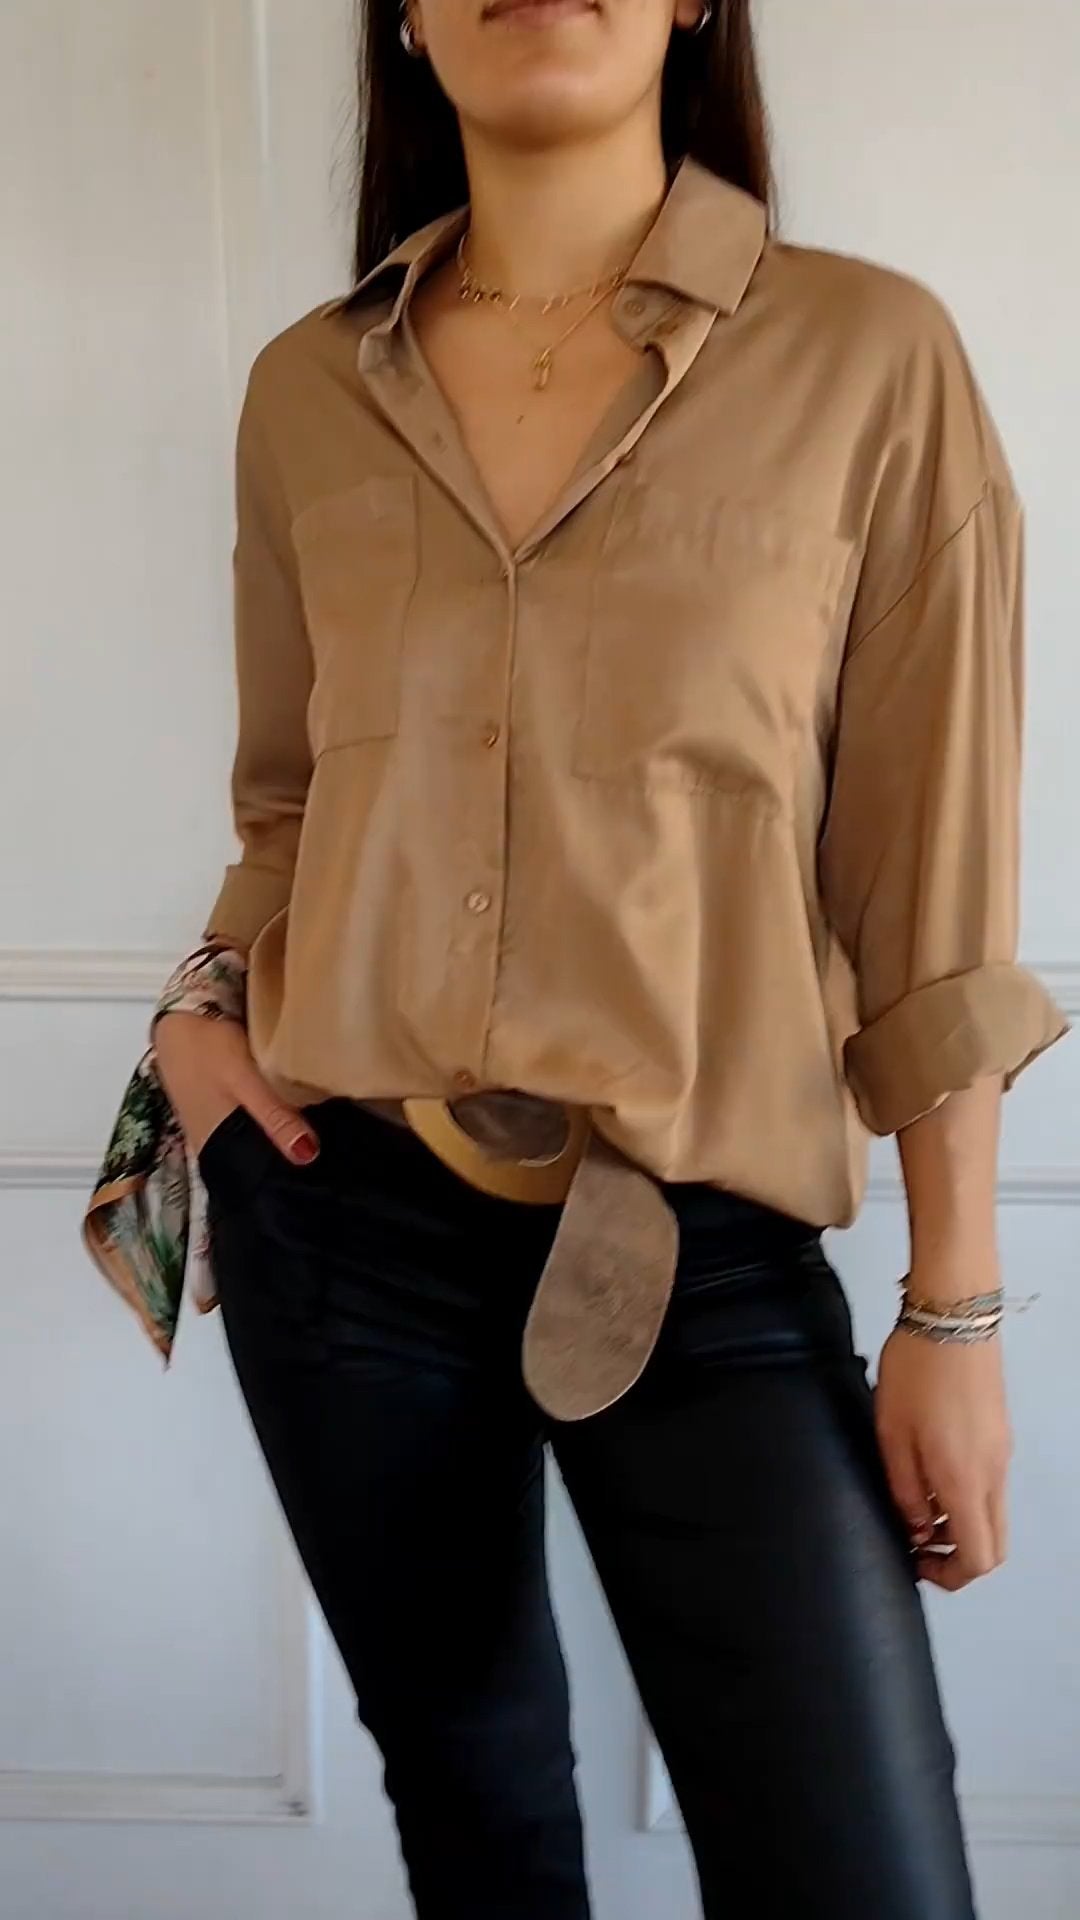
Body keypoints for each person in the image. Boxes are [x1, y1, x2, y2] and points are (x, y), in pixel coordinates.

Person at [83, 1, 1068, 1915]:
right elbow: (288, 807)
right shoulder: (308, 387)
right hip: (340, 1218)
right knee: (479, 1823)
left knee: (863, 1873)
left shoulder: (869, 357)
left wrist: (952, 1312)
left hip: (704, 1245)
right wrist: (200, 1009)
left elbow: (933, 897)